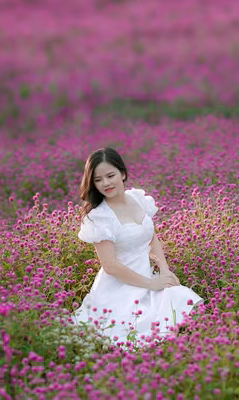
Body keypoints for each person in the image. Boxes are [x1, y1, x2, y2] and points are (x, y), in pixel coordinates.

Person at [71, 147, 204, 347]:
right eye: (98, 179)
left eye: (110, 175)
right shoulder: (99, 217)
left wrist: (165, 273)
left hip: (149, 276)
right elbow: (110, 266)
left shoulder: (138, 199)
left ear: (122, 173)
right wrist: (152, 284)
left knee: (185, 300)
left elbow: (152, 238)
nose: (106, 183)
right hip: (119, 286)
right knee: (133, 328)